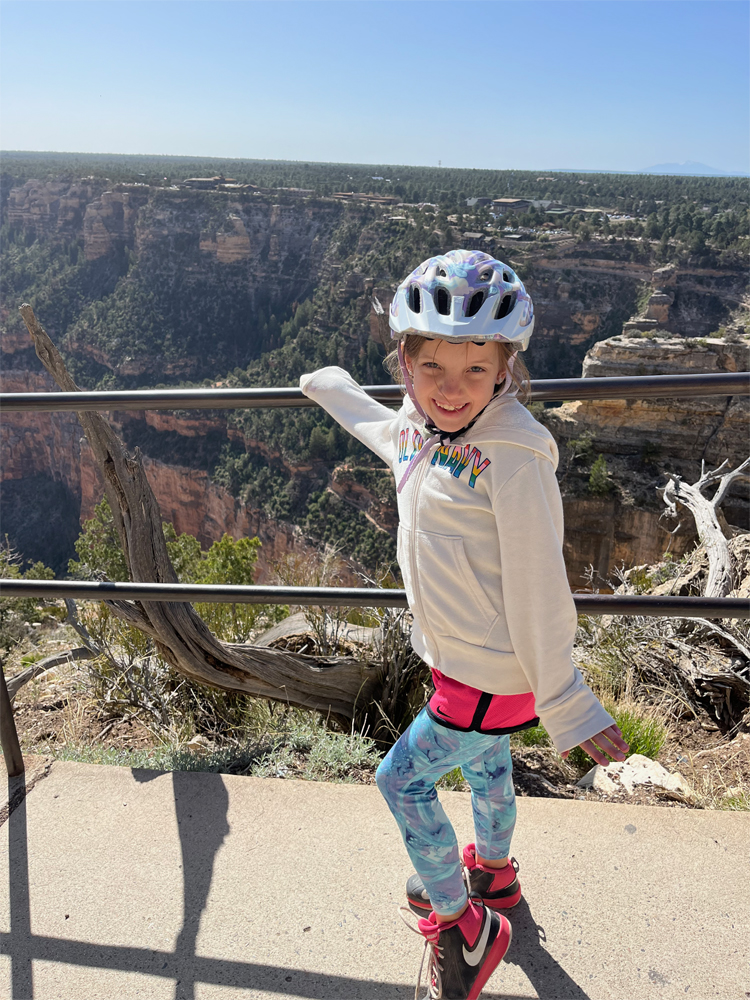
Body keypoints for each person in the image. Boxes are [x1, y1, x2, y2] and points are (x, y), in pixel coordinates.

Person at [300, 249, 628, 1000]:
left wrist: (568, 702)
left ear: (506, 369)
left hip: (494, 673)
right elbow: (388, 434)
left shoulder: (513, 456)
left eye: (476, 370)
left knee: (401, 780)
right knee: (487, 767)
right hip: (462, 660)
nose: (451, 389)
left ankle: (465, 926)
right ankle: (495, 876)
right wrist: (331, 389)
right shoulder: (423, 427)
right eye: (432, 368)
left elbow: (541, 587)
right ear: (405, 364)